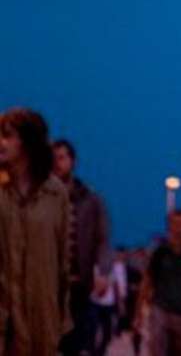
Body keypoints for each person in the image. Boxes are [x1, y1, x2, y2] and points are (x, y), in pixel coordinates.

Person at [0, 108, 71, 355]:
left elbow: (62, 261)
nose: (1, 142)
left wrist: (62, 318)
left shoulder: (56, 194)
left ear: (27, 141)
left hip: (42, 319)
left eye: (7, 135)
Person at [52, 139, 112, 356]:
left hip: (79, 284)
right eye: (53, 159)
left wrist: (103, 272)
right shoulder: (42, 199)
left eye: (61, 158)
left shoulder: (91, 200)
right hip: (49, 285)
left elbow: (102, 239)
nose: (57, 163)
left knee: (75, 342)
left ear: (72, 161)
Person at [135, 209, 181, 356]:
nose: (180, 228)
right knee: (157, 349)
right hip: (161, 309)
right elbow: (147, 281)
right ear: (169, 226)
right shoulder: (159, 252)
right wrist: (138, 311)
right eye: (177, 224)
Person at [89, 251, 127, 356]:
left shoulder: (116, 267)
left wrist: (121, 303)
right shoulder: (95, 265)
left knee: (107, 331)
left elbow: (119, 286)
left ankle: (101, 350)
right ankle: (93, 350)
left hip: (108, 304)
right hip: (95, 302)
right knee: (93, 328)